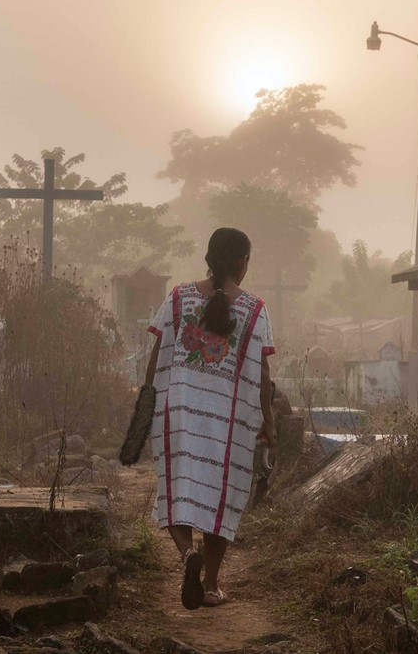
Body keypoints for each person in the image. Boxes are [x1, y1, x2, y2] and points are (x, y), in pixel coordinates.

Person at [143, 227, 276, 610]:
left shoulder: (179, 297)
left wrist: (148, 404)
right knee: (224, 494)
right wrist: (269, 420)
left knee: (177, 487)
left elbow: (159, 354)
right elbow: (262, 373)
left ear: (208, 257)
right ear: (241, 262)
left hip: (180, 410)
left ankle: (188, 555)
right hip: (229, 419)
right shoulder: (254, 308)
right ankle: (212, 584)